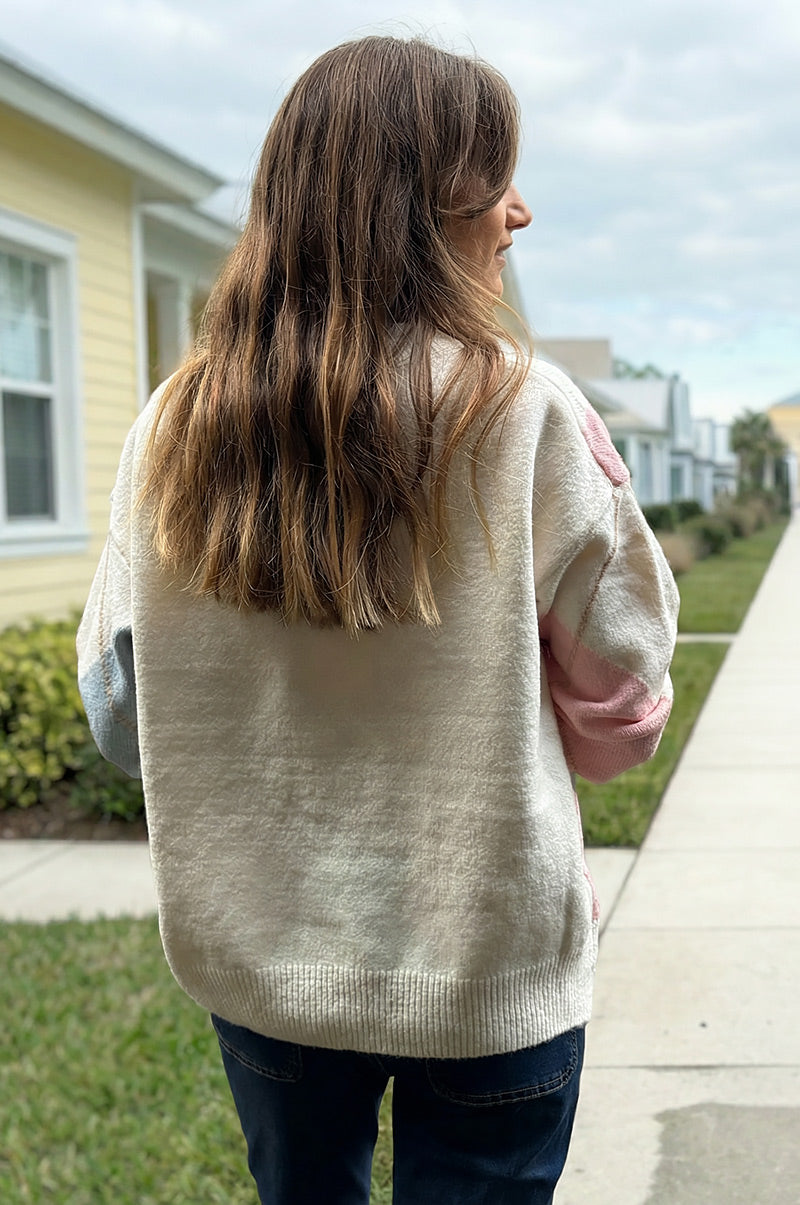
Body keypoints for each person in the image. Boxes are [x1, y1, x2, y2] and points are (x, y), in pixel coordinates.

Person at [77, 35, 678, 1205]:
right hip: (488, 964)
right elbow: (620, 711)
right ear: (420, 203)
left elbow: (119, 710)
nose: (518, 211)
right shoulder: (527, 412)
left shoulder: (169, 426)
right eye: (494, 178)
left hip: (261, 963)